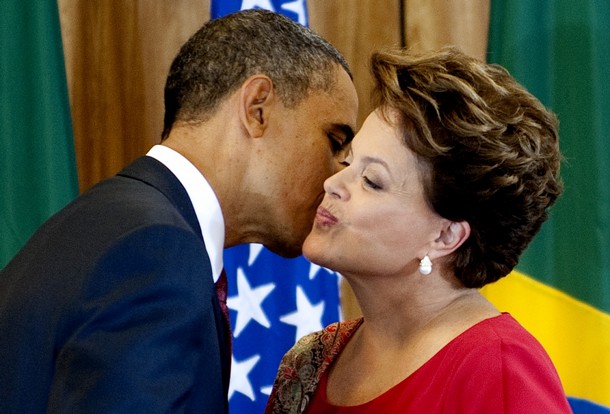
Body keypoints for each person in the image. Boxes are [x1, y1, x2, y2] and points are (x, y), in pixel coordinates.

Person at [0, 9, 358, 413]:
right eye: (334, 141)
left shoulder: (106, 224)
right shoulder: (155, 252)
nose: (337, 177)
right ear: (258, 108)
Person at [266, 46, 572, 413]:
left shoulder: (499, 370)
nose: (332, 183)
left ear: (445, 236)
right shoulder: (309, 363)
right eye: (347, 162)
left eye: (371, 180)